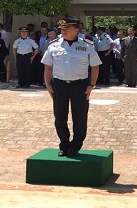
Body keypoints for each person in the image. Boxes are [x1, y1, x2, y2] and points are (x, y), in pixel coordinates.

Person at [41, 18, 102, 156]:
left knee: (80, 117)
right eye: (61, 29)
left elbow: (95, 66)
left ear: (76, 30)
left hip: (80, 85)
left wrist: (91, 85)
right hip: (60, 85)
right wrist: (48, 84)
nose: (62, 32)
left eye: (66, 29)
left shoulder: (87, 46)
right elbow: (48, 66)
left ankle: (76, 145)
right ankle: (64, 144)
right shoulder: (53, 45)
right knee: (60, 116)